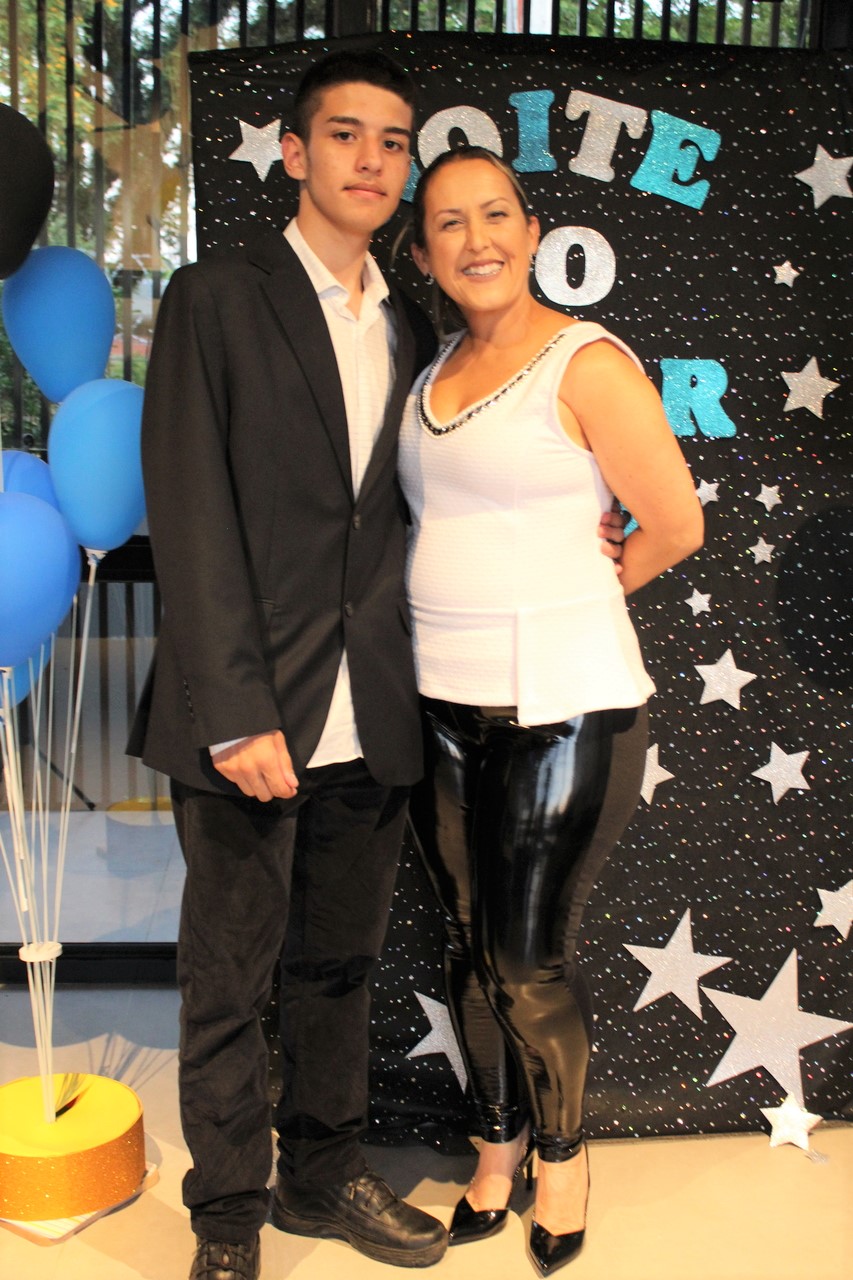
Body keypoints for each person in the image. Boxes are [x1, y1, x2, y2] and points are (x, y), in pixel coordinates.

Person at [128, 49, 447, 1280]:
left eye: (393, 141)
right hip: (250, 715)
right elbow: (190, 511)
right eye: (347, 135)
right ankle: (227, 1215)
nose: (373, 160)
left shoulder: (410, 321)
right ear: (297, 152)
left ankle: (322, 1174)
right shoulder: (218, 295)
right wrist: (233, 710)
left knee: (338, 969)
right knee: (229, 981)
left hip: (375, 709)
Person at [398, 146, 704, 1276]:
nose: (475, 239)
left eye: (495, 215)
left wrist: (583, 587)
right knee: (467, 946)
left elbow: (674, 523)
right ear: (421, 253)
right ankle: (497, 1143)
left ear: (532, 234)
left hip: (561, 702)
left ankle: (564, 1159)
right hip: (436, 703)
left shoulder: (586, 362)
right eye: (448, 222)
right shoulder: (430, 372)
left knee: (524, 961)